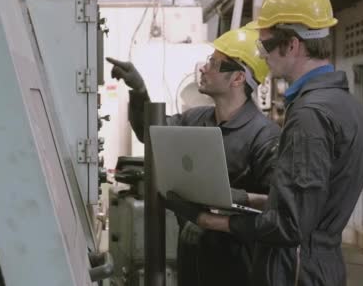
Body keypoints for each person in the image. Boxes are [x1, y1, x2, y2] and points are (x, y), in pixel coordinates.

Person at [169, 0, 363, 286]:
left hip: (294, 270)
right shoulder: (349, 107)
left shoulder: (310, 116)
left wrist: (205, 219)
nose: (262, 55)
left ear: (292, 44)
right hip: (322, 264)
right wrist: (245, 198)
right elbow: (310, 204)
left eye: (265, 44)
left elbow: (289, 225)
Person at [106, 27, 280, 286]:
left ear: (238, 78)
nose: (203, 68)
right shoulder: (196, 119)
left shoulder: (265, 136)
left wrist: (237, 197)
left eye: (214, 62)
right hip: (192, 256)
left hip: (239, 266)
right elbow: (152, 132)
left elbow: (278, 205)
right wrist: (138, 90)